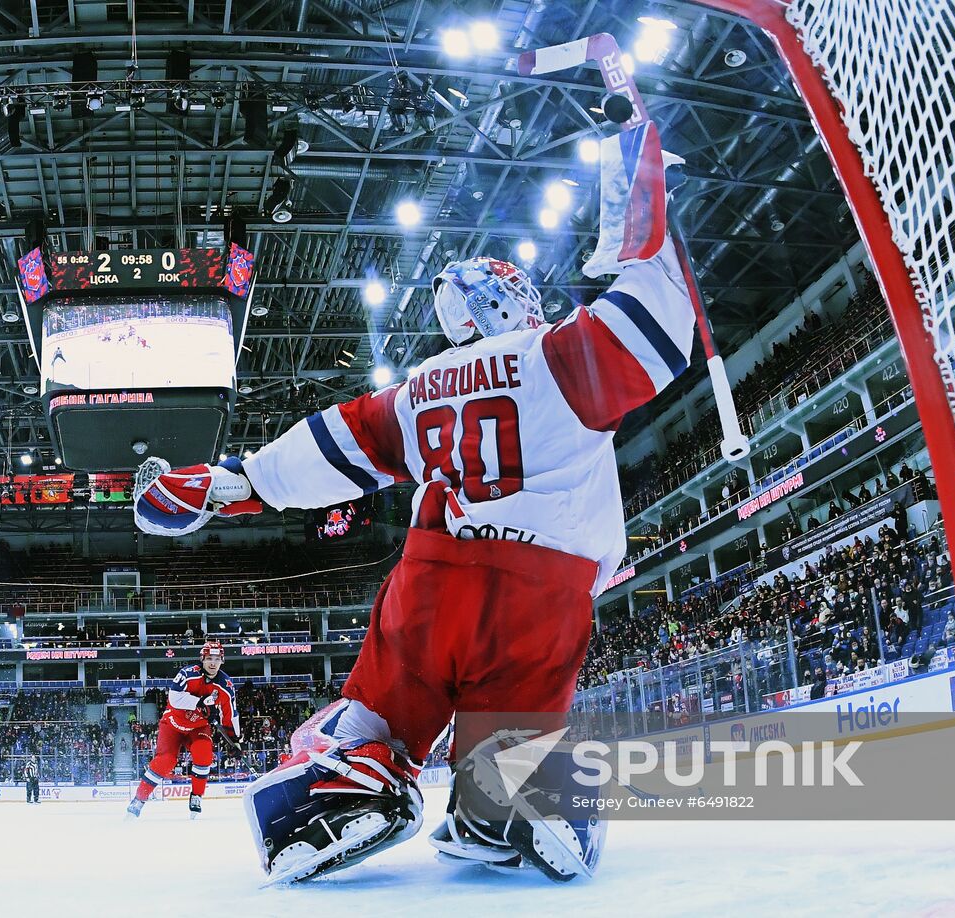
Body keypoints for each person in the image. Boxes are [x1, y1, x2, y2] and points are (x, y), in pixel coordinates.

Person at [132, 144, 695, 884]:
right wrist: (644, 208)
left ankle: (348, 775)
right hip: (542, 591)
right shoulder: (555, 355)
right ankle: (511, 793)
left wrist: (236, 483)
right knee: (517, 734)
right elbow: (656, 326)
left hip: (430, 583)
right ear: (519, 303)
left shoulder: (421, 385)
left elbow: (336, 447)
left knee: (377, 713)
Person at [125, 641, 239, 820]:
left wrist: (235, 741)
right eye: (209, 658)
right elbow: (175, 698)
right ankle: (139, 800)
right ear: (202, 659)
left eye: (217, 659)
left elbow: (231, 715)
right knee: (165, 761)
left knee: (204, 754)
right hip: (173, 725)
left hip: (198, 727)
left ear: (222, 661)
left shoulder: (226, 685)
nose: (213, 663)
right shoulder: (188, 674)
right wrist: (200, 702)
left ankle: (196, 797)